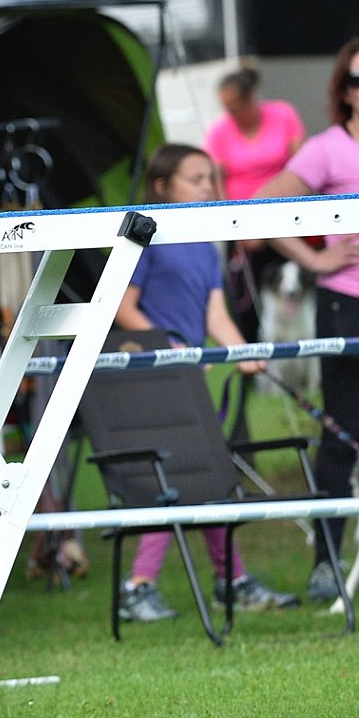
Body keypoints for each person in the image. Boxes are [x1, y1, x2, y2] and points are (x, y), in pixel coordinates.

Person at [111, 143, 297, 622]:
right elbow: (121, 307)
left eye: (210, 178)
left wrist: (244, 351)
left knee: (209, 471)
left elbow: (216, 313)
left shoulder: (205, 241)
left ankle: (231, 580)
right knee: (173, 477)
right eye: (195, 179)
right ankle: (138, 586)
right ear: (161, 186)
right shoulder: (144, 237)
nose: (207, 188)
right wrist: (171, 346)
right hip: (154, 377)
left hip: (191, 377)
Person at [253, 38, 359, 603]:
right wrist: (316, 259)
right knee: (342, 435)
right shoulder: (327, 149)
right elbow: (260, 207)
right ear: (344, 91)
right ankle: (326, 564)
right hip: (346, 302)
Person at [205, 66, 305, 341]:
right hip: (243, 226)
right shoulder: (219, 131)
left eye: (234, 106)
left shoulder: (283, 114)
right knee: (245, 299)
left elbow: (302, 166)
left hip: (286, 218)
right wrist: (239, 227)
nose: (230, 113)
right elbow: (217, 181)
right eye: (225, 107)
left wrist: (272, 222)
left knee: (296, 287)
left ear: (250, 98)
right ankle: (251, 355)